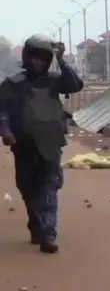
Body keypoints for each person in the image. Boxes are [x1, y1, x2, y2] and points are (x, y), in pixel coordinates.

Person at [0, 35, 84, 253]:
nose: (38, 63)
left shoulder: (55, 81)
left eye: (43, 59)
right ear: (27, 57)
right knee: (28, 186)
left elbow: (75, 85)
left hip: (50, 141)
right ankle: (36, 223)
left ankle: (48, 232)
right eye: (35, 58)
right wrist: (6, 131)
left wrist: (61, 60)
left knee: (49, 185)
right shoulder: (13, 84)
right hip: (24, 143)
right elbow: (2, 111)